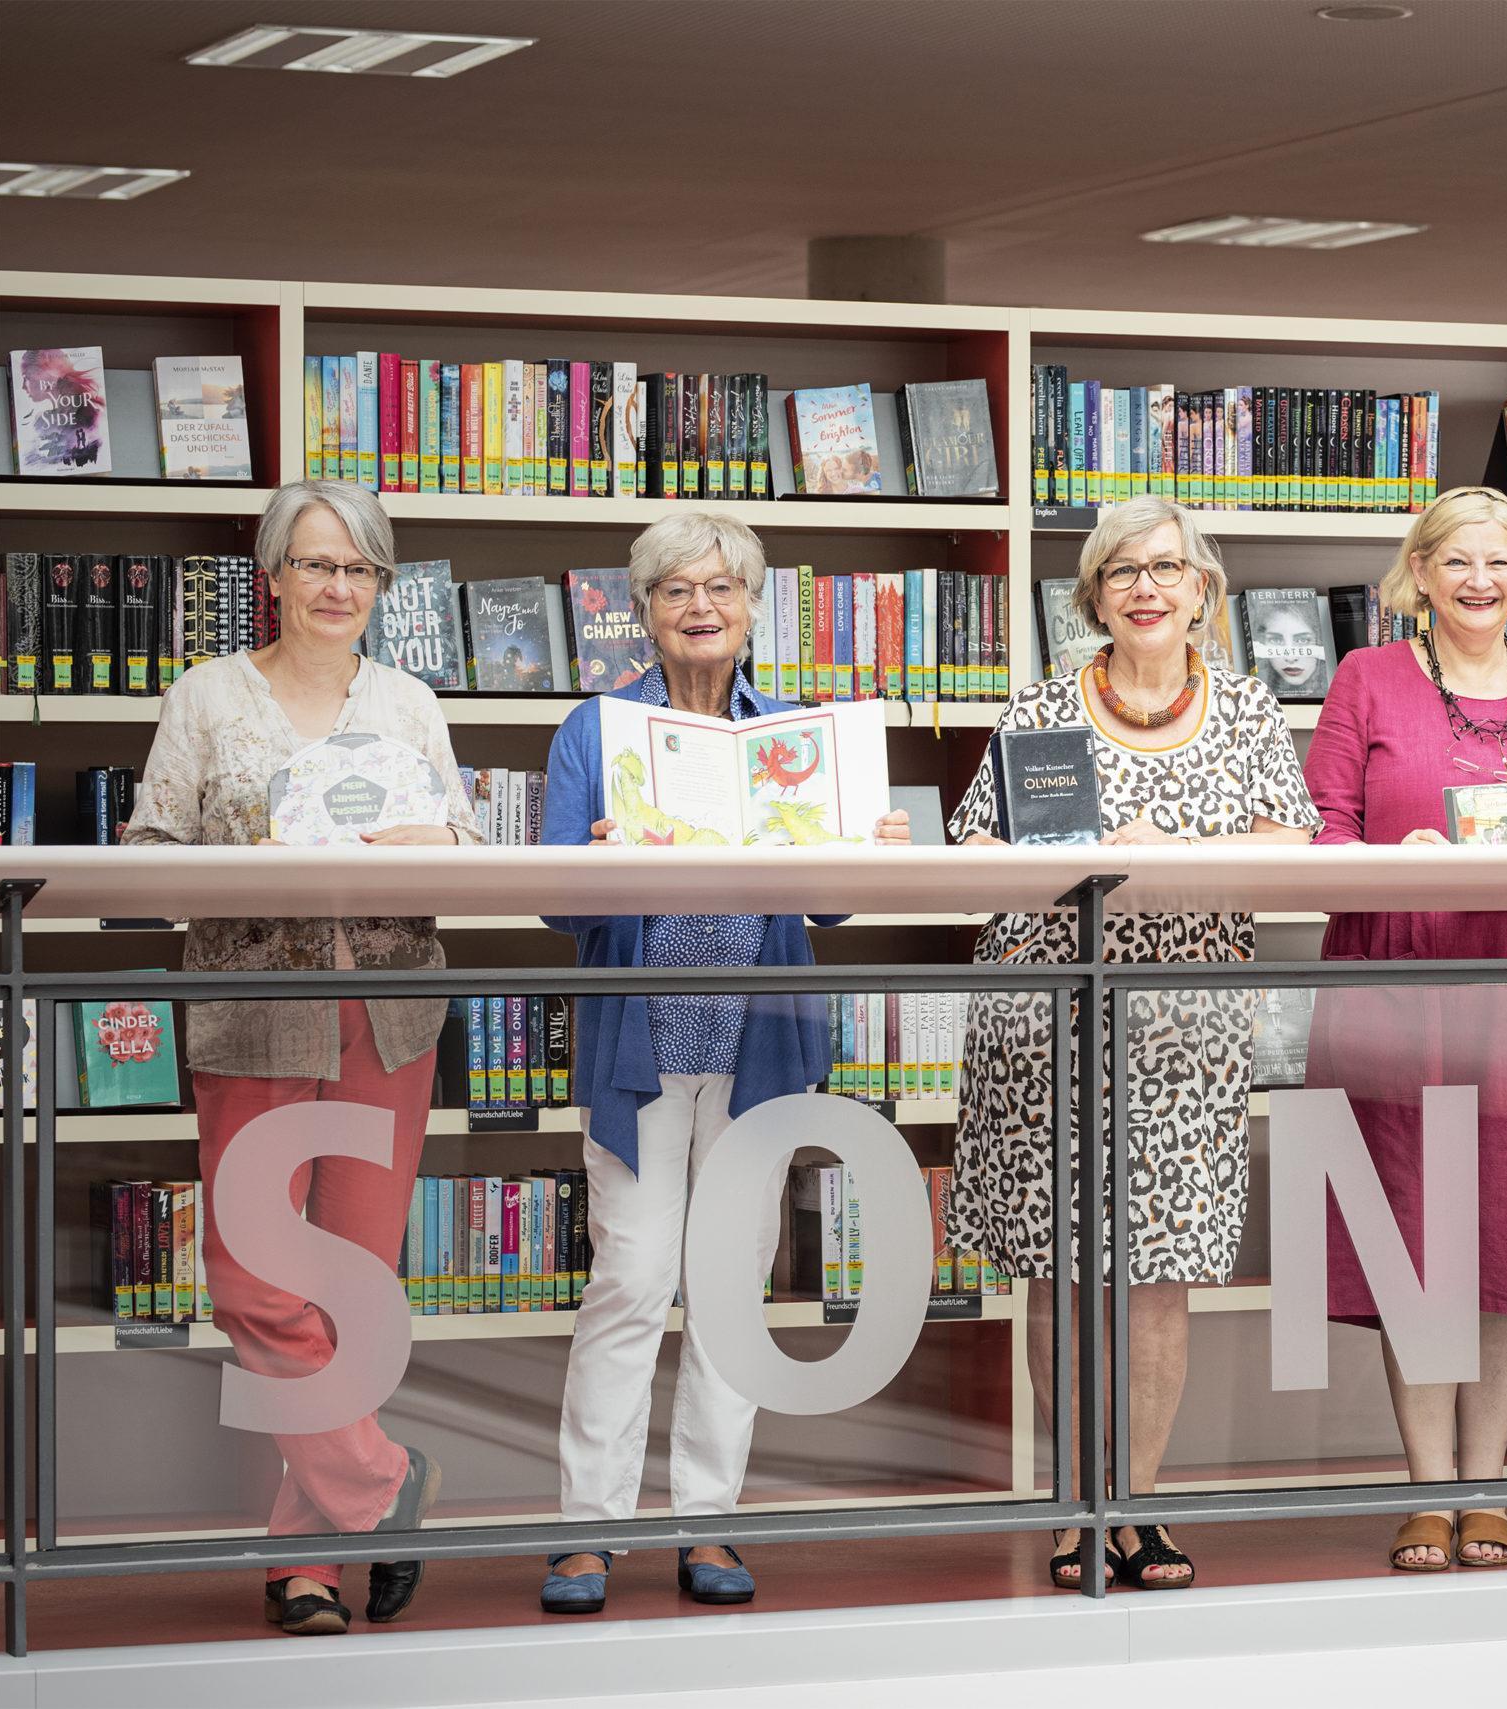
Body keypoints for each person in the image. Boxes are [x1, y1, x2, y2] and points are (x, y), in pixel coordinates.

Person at [537, 512, 910, 1614]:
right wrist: (603, 861)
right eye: (675, 590)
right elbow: (557, 899)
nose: (701, 607)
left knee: (731, 1291)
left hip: (757, 1045)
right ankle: (586, 1533)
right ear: (643, 610)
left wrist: (863, 846)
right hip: (641, 1049)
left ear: (753, 607)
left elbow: (836, 902)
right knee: (631, 1278)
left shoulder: (795, 732)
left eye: (723, 588)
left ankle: (709, 1524)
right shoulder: (598, 730)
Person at [123, 479, 478, 1637]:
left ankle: (305, 1559)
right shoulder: (208, 695)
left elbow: (466, 847)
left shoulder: (411, 699)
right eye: (316, 565)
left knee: (353, 1298)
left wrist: (439, 842)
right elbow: (147, 854)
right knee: (253, 1279)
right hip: (252, 1009)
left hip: (387, 1016)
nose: (337, 588)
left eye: (360, 569)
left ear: (380, 586)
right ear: (271, 575)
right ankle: (384, 1483)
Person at [947, 495, 1319, 1591]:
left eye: (1165, 568)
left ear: (1203, 591)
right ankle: (1076, 1505)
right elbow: (978, 844)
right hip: (1046, 1012)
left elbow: (1291, 841)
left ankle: (1139, 1506)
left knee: (1158, 1276)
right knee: (1063, 1275)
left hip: (1181, 1027)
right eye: (1122, 571)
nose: (1146, 588)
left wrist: (1175, 845)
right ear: (1093, 596)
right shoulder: (1043, 704)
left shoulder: (1248, 709)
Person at [1301, 485, 1507, 1572]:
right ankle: (1423, 1487)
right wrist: (1383, 864)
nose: (1479, 581)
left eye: (1498, 562)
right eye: (1456, 562)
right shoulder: (1365, 677)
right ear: (1420, 574)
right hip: (1393, 985)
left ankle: (1485, 1487)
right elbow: (1321, 837)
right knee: (1412, 1240)